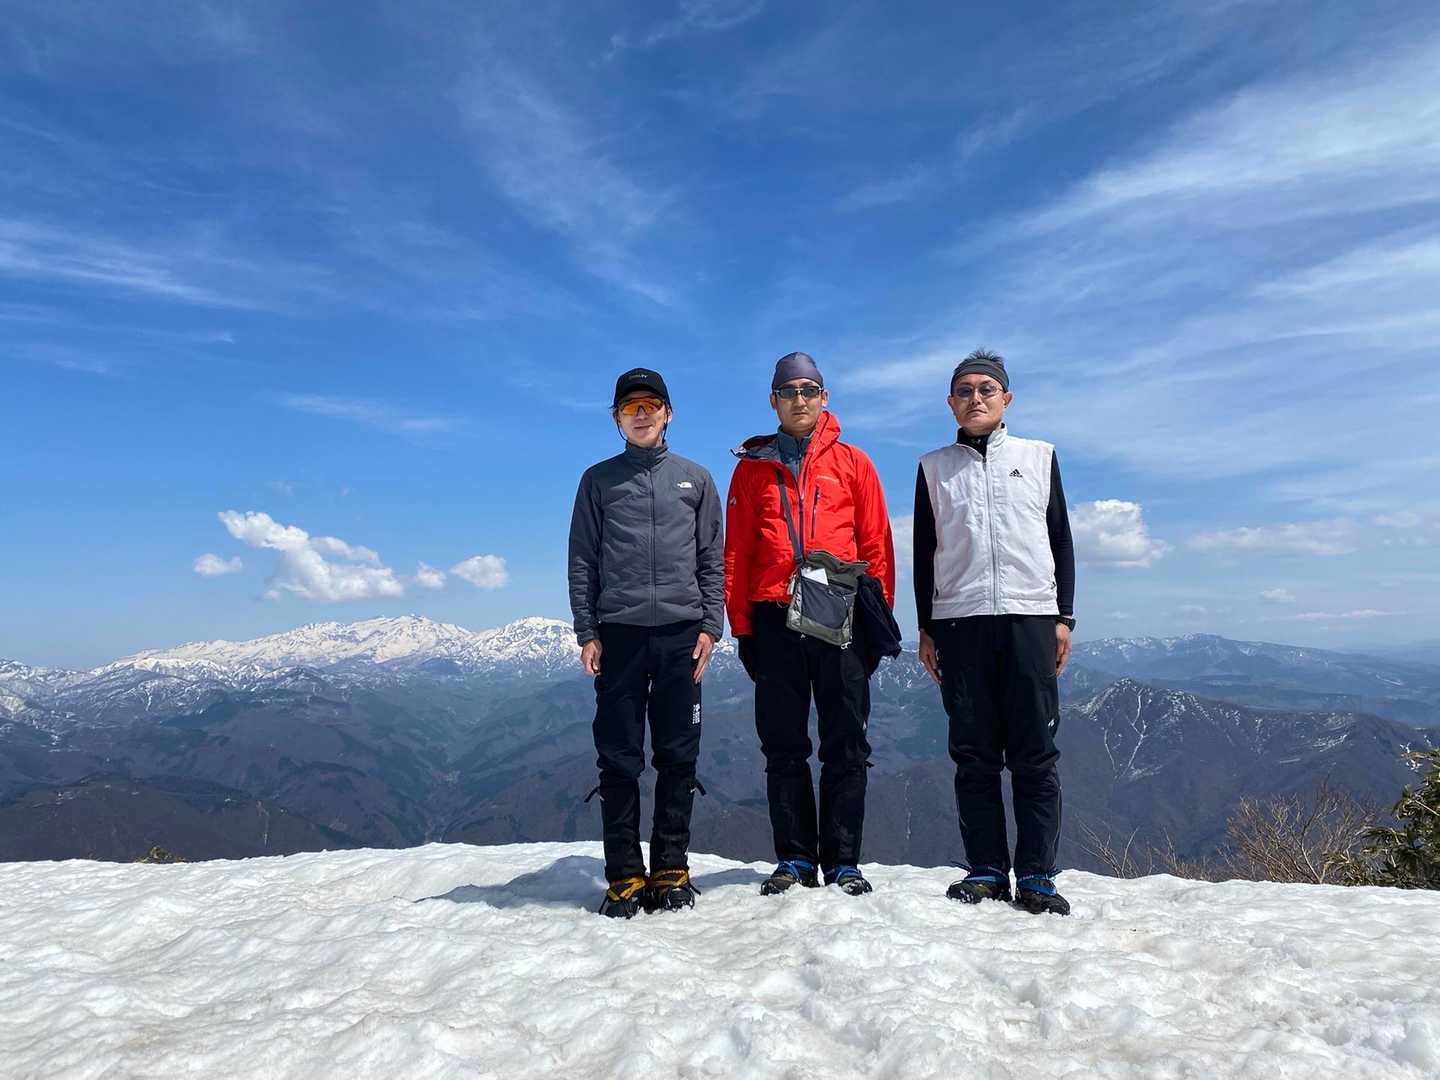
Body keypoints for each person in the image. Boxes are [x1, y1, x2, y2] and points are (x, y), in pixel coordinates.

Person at [725, 351, 895, 897]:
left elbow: (876, 543)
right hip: (773, 615)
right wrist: (742, 627)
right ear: (773, 401)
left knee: (846, 742)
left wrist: (876, 620)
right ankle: (795, 859)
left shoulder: (854, 463)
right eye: (788, 391)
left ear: (824, 398)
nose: (799, 400)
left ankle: (843, 861)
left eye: (808, 390)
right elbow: (737, 552)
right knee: (783, 744)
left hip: (840, 612)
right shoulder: (751, 468)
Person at [913, 348, 1076, 915]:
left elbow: (1060, 538)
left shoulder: (1039, 456)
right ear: (950, 403)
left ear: (1007, 398)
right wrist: (926, 627)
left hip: (1030, 616)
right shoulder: (934, 467)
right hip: (960, 621)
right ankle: (985, 869)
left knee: (1035, 754)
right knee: (974, 754)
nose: (975, 398)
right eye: (964, 391)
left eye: (986, 389)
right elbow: (925, 552)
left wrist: (1063, 616)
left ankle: (1036, 875)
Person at [568, 367, 724, 918]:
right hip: (620, 635)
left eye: (650, 405)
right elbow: (583, 560)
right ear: (616, 418)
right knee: (619, 758)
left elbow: (712, 559)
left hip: (683, 634)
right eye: (629, 407)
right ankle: (625, 876)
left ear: (668, 413)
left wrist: (710, 626)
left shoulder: (696, 480)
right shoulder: (598, 481)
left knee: (679, 754)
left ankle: (671, 869)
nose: (640, 414)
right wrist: (588, 631)